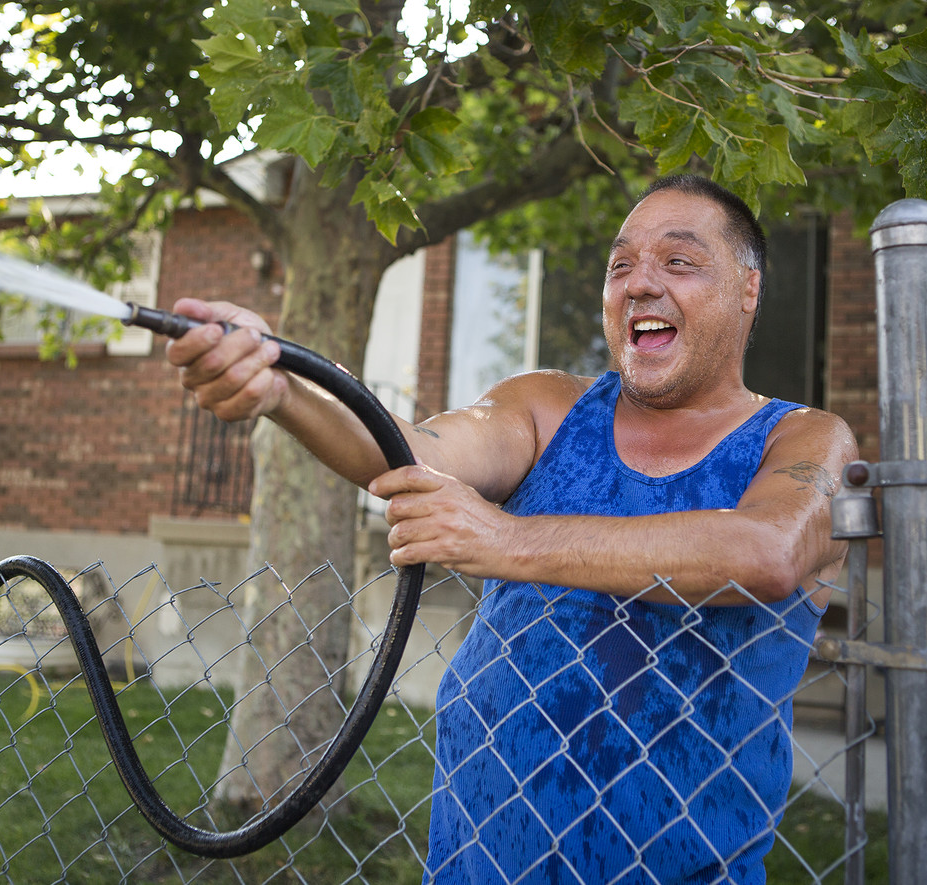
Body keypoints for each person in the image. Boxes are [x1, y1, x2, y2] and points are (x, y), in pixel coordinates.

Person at [166, 174, 858, 883]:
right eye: (620, 266)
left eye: (678, 262)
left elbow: (769, 551)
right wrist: (283, 382)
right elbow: (409, 448)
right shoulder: (549, 407)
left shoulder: (804, 438)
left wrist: (505, 539)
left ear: (749, 287)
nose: (639, 284)